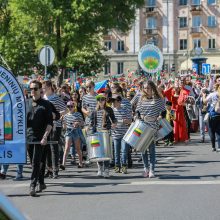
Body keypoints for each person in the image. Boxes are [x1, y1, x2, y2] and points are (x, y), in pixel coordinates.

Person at [27, 80, 53, 196]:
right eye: (31, 89)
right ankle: (41, 182)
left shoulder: (46, 104)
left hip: (40, 138)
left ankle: (32, 185)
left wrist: (45, 137)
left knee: (36, 162)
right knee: (33, 163)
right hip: (29, 137)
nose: (33, 91)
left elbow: (49, 123)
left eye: (35, 88)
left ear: (40, 89)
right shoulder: (26, 103)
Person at [136, 80, 166, 178]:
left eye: (148, 88)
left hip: (153, 125)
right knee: (142, 149)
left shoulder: (158, 99)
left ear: (152, 88)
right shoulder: (141, 98)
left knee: (151, 149)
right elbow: (137, 110)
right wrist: (136, 116)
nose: (146, 90)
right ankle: (146, 168)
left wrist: (161, 116)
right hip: (142, 124)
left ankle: (152, 170)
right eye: (144, 88)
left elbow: (163, 110)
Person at [42, 80, 66, 179]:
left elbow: (65, 110)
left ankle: (55, 170)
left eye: (43, 88)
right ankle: (49, 169)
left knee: (53, 147)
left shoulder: (56, 98)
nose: (42, 90)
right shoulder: (43, 98)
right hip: (45, 126)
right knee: (46, 148)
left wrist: (57, 115)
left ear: (48, 87)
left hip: (56, 125)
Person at [90, 93, 117, 178]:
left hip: (106, 132)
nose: (100, 101)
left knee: (106, 152)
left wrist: (114, 124)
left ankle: (106, 170)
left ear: (105, 100)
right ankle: (100, 168)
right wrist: (89, 128)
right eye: (99, 99)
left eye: (102, 99)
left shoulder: (109, 109)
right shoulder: (94, 111)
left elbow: (114, 119)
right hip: (97, 133)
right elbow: (91, 122)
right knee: (98, 152)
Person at [111, 95, 132, 174]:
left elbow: (130, 121)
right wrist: (112, 125)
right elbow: (109, 122)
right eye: (112, 101)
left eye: (115, 101)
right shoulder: (112, 111)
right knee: (116, 152)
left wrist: (125, 121)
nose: (113, 103)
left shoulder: (125, 110)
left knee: (124, 151)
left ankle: (124, 166)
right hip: (115, 134)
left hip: (124, 134)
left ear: (119, 102)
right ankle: (117, 166)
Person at [61, 101, 84, 169]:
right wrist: (63, 122)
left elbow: (83, 122)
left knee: (77, 148)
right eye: (68, 106)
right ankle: (63, 164)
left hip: (76, 131)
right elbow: (64, 127)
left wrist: (78, 123)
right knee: (66, 147)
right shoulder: (65, 116)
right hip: (68, 131)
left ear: (74, 107)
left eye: (71, 106)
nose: (70, 108)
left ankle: (80, 163)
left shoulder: (78, 114)